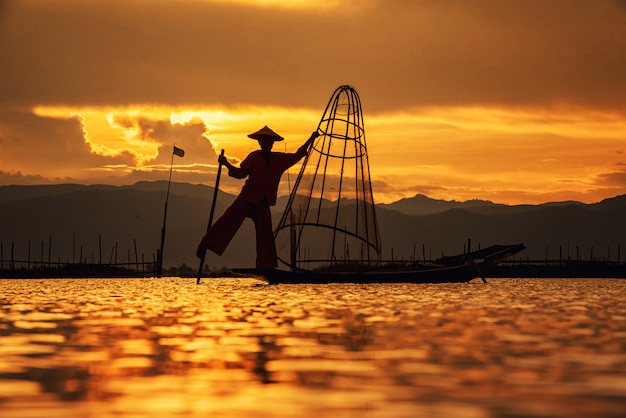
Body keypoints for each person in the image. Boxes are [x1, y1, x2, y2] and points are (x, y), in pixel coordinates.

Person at [196, 125, 320, 269]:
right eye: (264, 141)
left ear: (272, 143)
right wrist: (226, 164)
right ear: (260, 142)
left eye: (269, 141)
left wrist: (311, 139)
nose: (267, 144)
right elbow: (240, 174)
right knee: (228, 219)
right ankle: (205, 244)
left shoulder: (278, 159)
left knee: (266, 234)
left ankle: (266, 265)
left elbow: (297, 155)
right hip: (247, 197)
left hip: (263, 200)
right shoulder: (253, 157)